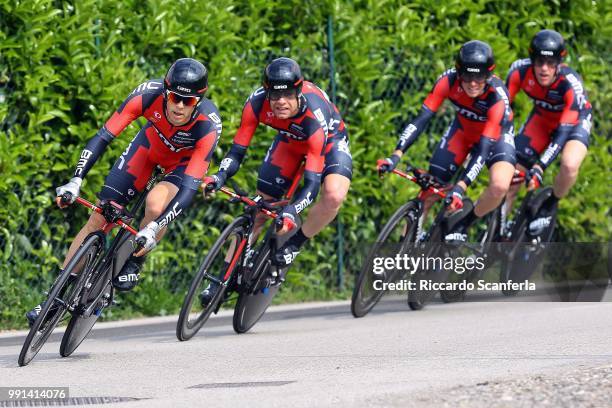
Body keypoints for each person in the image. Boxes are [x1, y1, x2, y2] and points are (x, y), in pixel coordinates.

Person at [26, 58, 222, 326]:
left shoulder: (208, 125)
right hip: (148, 148)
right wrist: (76, 179)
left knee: (155, 205)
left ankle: (134, 261)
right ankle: (52, 298)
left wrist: (155, 227)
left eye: (187, 102)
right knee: (99, 218)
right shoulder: (146, 95)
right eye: (175, 97)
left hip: (181, 165)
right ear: (166, 91)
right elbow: (103, 137)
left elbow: (188, 189)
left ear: (198, 100)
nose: (179, 106)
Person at [200, 57, 352, 306]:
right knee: (258, 211)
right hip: (290, 141)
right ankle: (221, 278)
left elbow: (312, 185)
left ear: (299, 90)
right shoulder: (257, 103)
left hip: (329, 143)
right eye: (274, 94)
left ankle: (295, 243)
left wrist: (292, 211)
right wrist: (219, 175)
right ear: (266, 91)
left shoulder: (314, 117)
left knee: (334, 195)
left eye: (289, 94)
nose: (281, 101)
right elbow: (237, 151)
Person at [379, 40, 516, 241]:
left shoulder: (497, 97)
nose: (472, 83)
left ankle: (464, 223)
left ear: (488, 75)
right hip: (461, 132)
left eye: (479, 77)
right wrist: (396, 154)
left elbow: (484, 148)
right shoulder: (447, 81)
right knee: (430, 189)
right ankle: (403, 252)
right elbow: (422, 119)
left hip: (496, 138)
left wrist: (461, 187)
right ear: (459, 73)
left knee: (499, 186)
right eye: (467, 76)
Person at [505, 29, 592, 234]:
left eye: (551, 63)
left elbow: (563, 133)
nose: (544, 69)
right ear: (532, 60)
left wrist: (541, 165)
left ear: (559, 63)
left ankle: (552, 203)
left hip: (574, 124)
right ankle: (495, 233)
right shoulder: (519, 72)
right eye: (539, 62)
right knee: (511, 176)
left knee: (570, 165)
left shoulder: (570, 84)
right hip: (542, 120)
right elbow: (502, 110)